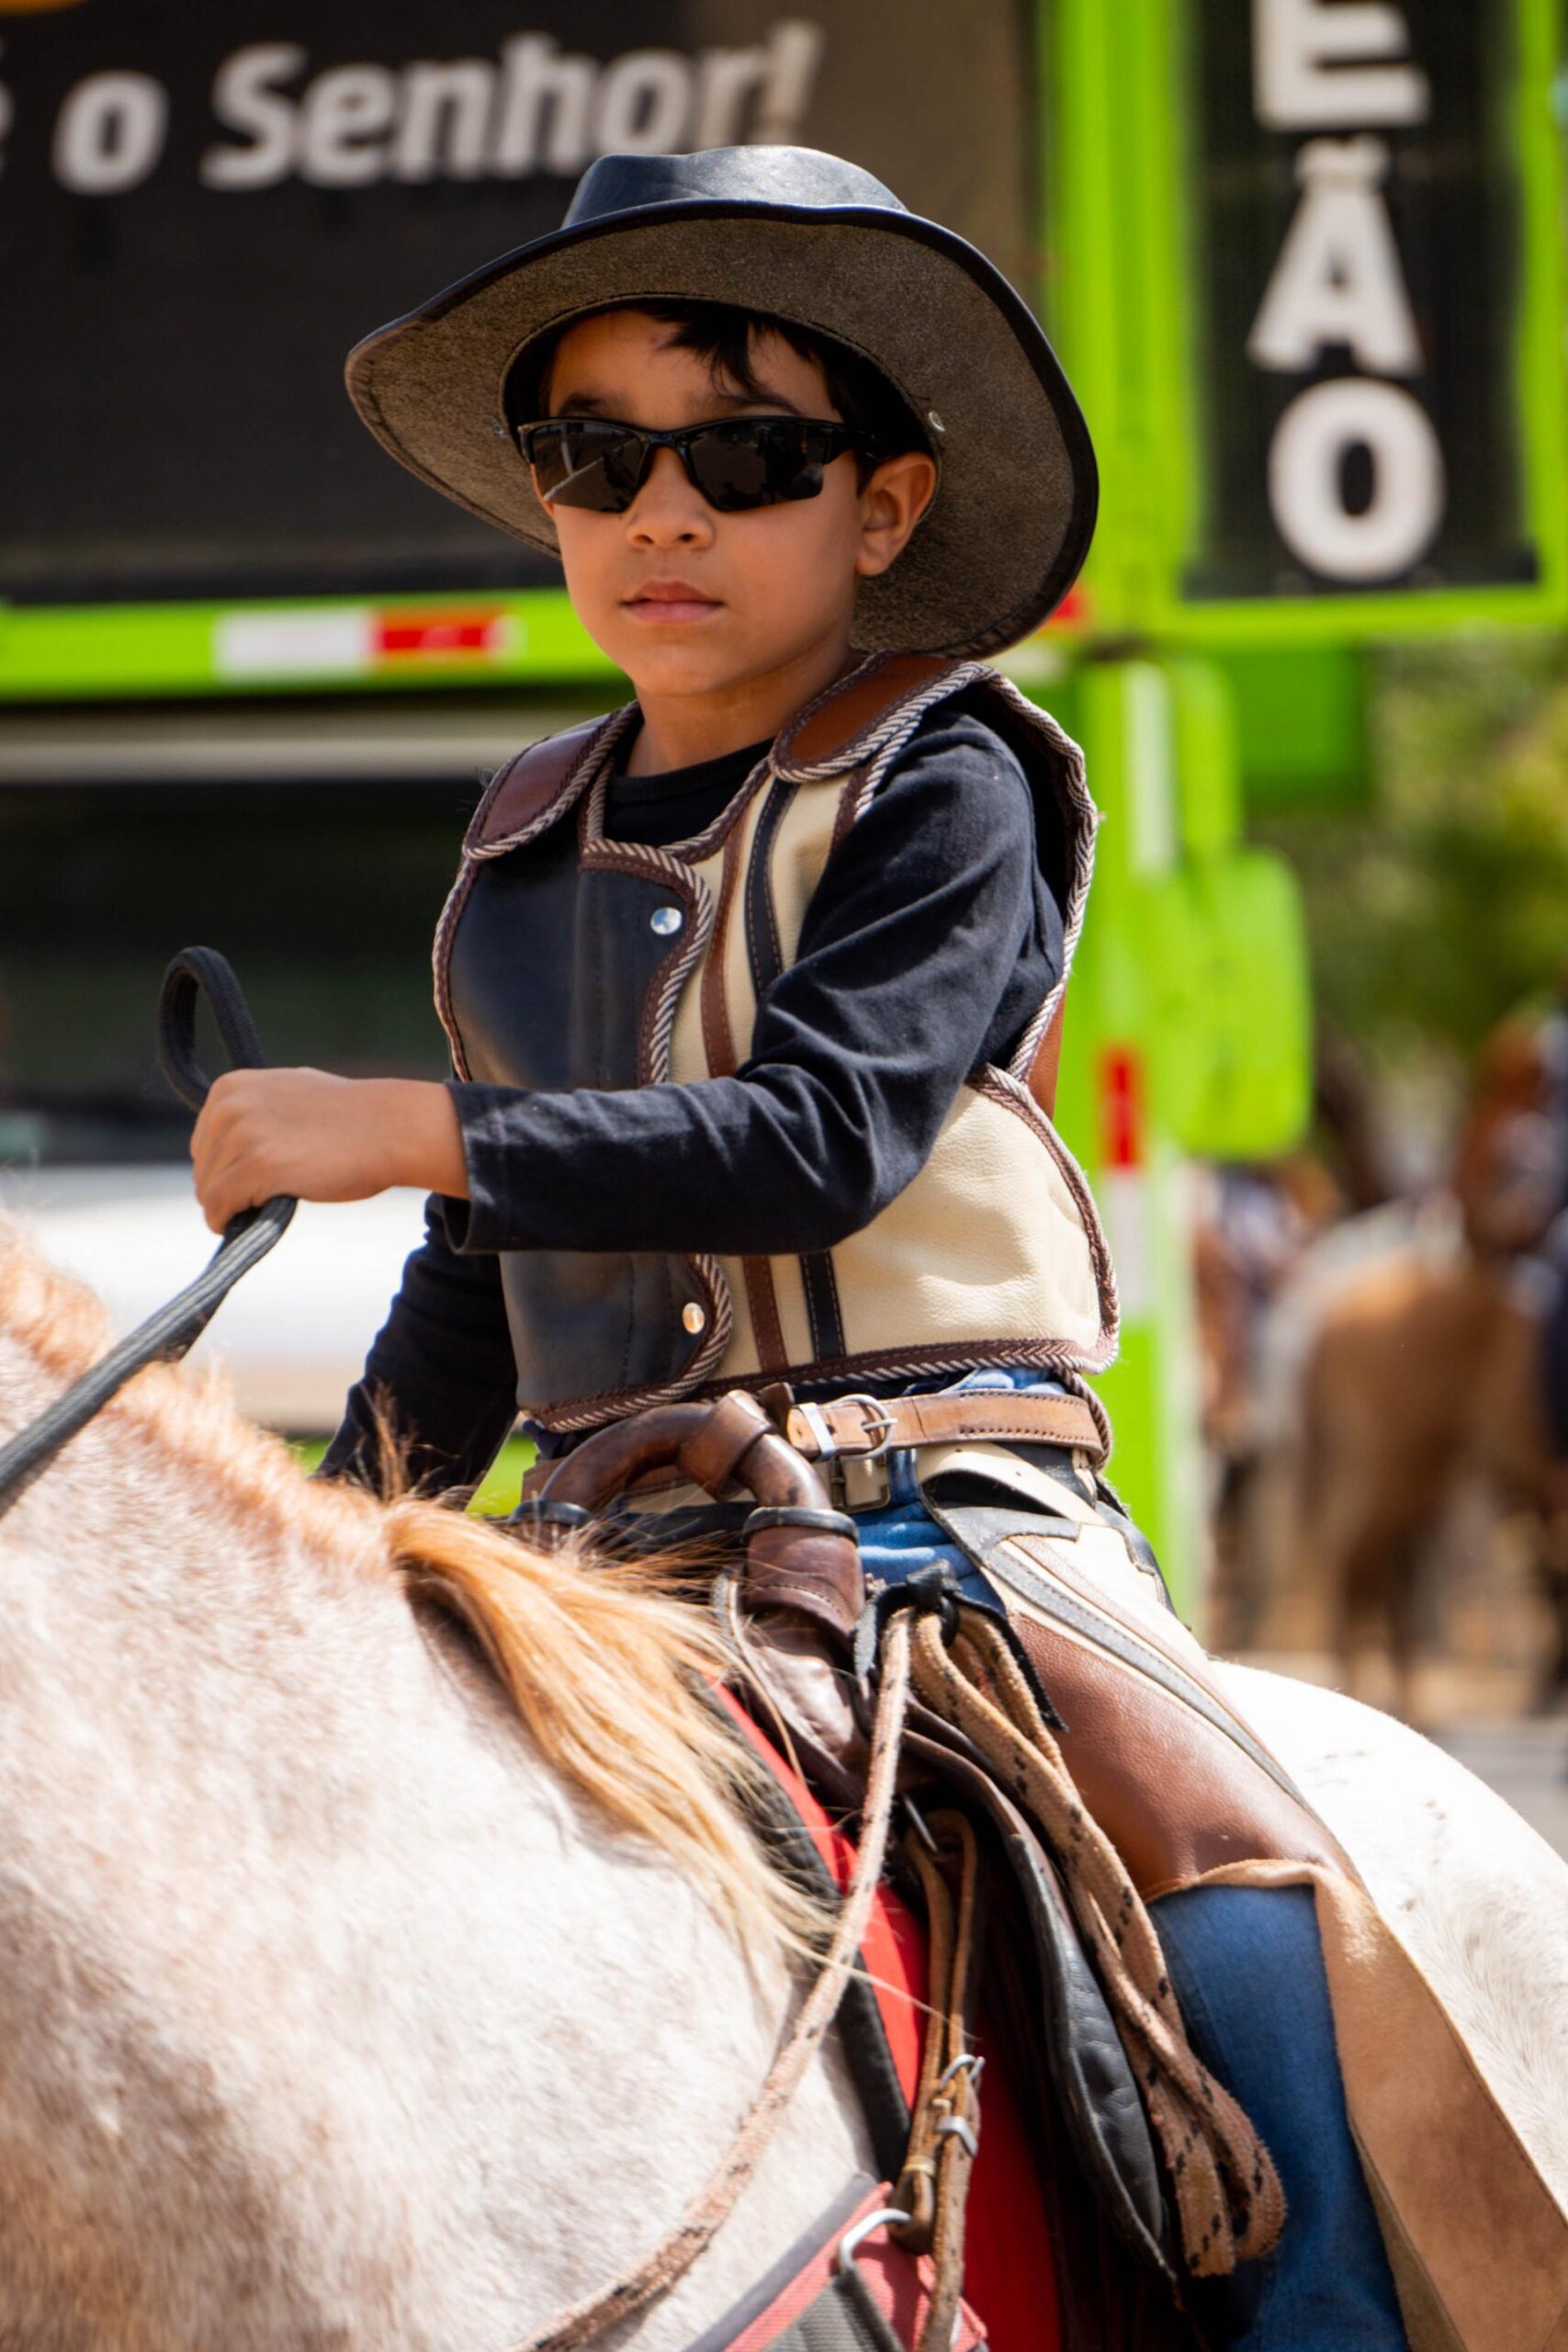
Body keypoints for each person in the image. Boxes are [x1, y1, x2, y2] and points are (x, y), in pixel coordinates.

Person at [189, 147, 1406, 2345]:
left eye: (743, 457)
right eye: (598, 458)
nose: (662, 512)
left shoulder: (948, 779)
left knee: (1233, 1894)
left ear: (881, 504)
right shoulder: (520, 836)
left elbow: (823, 1133)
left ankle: (1316, 2311)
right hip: (591, 1534)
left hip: (944, 1505)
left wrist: (405, 1123)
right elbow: (476, 1284)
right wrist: (331, 1538)